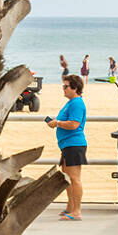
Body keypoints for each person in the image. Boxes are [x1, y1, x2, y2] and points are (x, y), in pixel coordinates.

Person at [47, 74, 87, 220]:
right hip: (67, 145)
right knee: (68, 177)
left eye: (66, 86)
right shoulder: (71, 102)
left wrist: (57, 123)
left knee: (74, 178)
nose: (63, 89)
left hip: (74, 144)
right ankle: (70, 207)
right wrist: (55, 122)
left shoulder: (76, 103)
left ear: (75, 88)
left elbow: (74, 124)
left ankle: (76, 211)